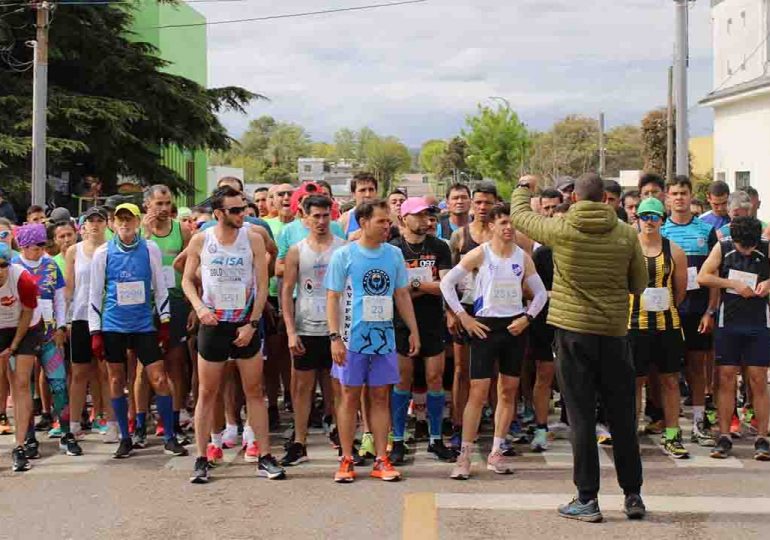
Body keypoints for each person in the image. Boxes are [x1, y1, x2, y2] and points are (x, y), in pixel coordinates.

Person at [510, 173, 648, 522]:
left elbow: (520, 215)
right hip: (615, 334)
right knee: (622, 416)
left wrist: (524, 187)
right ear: (606, 199)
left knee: (582, 417)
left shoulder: (562, 230)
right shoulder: (627, 234)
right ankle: (633, 495)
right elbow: (639, 284)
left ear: (574, 200)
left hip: (573, 334)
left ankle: (588, 499)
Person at [182, 186, 283, 483]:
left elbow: (263, 285)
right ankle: (202, 458)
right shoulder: (202, 240)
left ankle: (264, 456)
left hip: (244, 324)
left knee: (255, 391)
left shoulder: (252, 238)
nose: (243, 214)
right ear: (218, 214)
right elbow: (187, 280)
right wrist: (199, 308)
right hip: (213, 325)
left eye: (244, 208)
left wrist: (252, 324)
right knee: (206, 393)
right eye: (236, 210)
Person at [441, 203, 547, 479]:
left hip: (513, 327)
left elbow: (540, 293)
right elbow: (447, 283)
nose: (509, 228)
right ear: (491, 227)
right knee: (478, 393)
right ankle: (464, 454)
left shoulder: (522, 257)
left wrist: (527, 318)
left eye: (512, 223)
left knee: (508, 391)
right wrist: (464, 317)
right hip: (485, 327)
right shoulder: (480, 253)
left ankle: (497, 450)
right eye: (502, 223)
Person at [325, 199, 420, 483]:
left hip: (384, 340)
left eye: (388, 221)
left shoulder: (393, 255)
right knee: (349, 398)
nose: (386, 226)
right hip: (351, 340)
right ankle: (346, 458)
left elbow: (401, 294)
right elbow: (333, 297)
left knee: (381, 398)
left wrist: (413, 329)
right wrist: (334, 338)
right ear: (363, 222)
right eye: (381, 221)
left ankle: (381, 458)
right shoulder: (344, 255)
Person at [88, 203, 187, 459]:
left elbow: (160, 286)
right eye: (119, 219)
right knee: (117, 380)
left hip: (143, 323)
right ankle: (125, 437)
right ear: (112, 223)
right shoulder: (103, 253)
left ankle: (169, 437)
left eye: (129, 219)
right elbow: (95, 293)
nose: (124, 224)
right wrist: (95, 332)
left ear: (137, 221)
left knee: (159, 379)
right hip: (114, 325)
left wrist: (164, 321)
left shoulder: (150, 248)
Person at [388, 198, 456, 464]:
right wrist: (421, 286)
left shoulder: (439, 247)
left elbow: (445, 285)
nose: (425, 220)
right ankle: (397, 440)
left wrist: (414, 284)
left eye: (428, 215)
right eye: (418, 215)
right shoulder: (392, 249)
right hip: (401, 323)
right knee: (402, 381)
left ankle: (436, 439)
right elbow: (395, 291)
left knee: (435, 378)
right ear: (404, 218)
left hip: (431, 320)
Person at [279, 195, 346, 466]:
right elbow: (286, 292)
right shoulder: (296, 250)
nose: (320, 221)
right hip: (306, 327)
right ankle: (300, 442)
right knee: (302, 388)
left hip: (336, 330)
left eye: (325, 216)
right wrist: (291, 331)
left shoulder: (343, 248)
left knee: (339, 388)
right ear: (304, 218)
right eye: (315, 216)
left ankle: (343, 438)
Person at [697, 216, 770, 461]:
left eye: (751, 247)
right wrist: (733, 284)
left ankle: (762, 437)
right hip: (728, 322)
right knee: (726, 378)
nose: (747, 252)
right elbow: (703, 276)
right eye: (743, 247)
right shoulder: (724, 246)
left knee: (758, 379)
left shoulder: (766, 246)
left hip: (759, 322)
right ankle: (725, 435)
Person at [628, 198, 689, 458]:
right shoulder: (628, 249)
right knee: (634, 382)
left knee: (670, 380)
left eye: (654, 216)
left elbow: (681, 290)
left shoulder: (674, 250)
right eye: (644, 216)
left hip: (667, 325)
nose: (649, 221)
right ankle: (629, 434)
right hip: (634, 324)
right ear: (637, 219)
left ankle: (673, 434)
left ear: (662, 219)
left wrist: (665, 306)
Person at [13, 224, 81, 456]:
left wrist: (61, 326)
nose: (41, 250)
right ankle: (28, 438)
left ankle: (65, 433)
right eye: (36, 246)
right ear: (23, 246)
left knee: (59, 384)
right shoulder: (14, 268)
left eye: (44, 245)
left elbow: (60, 299)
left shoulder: (51, 265)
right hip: (22, 338)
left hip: (49, 335)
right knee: (24, 388)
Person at [661, 177, 719, 446]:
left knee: (698, 369)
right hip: (668, 311)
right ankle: (669, 424)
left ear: (691, 195)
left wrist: (710, 310)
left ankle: (698, 422)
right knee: (669, 371)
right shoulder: (660, 230)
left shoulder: (706, 231)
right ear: (667, 198)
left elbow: (714, 274)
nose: (679, 198)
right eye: (674, 193)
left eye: (684, 193)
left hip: (697, 311)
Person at [446, 182, 497, 447]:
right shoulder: (460, 237)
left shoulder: (501, 235)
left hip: (494, 312)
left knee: (495, 372)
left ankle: (502, 429)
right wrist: (451, 312)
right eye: (478, 202)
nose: (482, 207)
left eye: (487, 202)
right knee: (461, 370)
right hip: (464, 310)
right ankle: (458, 424)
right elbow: (449, 278)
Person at [140, 185, 193, 447]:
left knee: (175, 362)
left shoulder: (181, 230)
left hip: (174, 301)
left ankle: (173, 416)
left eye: (167, 203)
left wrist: (194, 303)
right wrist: (146, 234)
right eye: (158, 204)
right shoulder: (138, 231)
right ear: (147, 205)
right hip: (143, 303)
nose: (163, 209)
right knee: (143, 366)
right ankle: (139, 420)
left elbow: (192, 266)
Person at [65, 207, 114, 443]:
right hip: (81, 317)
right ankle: (73, 424)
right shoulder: (74, 251)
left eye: (99, 220)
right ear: (82, 226)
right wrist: (64, 320)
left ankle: (112, 422)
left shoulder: (111, 249)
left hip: (107, 317)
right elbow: (68, 288)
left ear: (106, 224)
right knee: (79, 372)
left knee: (108, 372)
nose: (95, 225)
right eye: (90, 221)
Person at [0, 242, 43, 471]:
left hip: (26, 327)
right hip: (1, 327)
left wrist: (13, 347)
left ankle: (20, 445)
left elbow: (27, 315)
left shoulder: (23, 280)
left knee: (21, 382)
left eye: (2, 265)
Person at [339, 172, 378, 240]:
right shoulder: (345, 219)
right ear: (353, 194)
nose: (367, 194)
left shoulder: (387, 217)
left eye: (371, 190)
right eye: (362, 190)